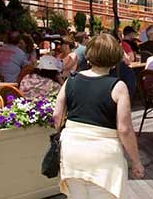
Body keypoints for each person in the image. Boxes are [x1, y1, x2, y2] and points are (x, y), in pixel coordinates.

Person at [55, 33, 145, 198]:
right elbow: (124, 129)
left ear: (89, 56)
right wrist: (136, 161)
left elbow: (57, 115)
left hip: (71, 149)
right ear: (114, 58)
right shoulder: (118, 86)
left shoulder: (71, 80)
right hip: (104, 153)